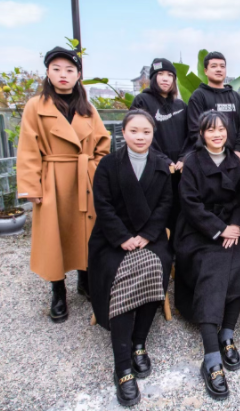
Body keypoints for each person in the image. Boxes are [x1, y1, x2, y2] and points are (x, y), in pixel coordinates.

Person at [16, 46, 110, 323]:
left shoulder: (87, 108)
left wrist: (94, 171)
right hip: (53, 179)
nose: (63, 75)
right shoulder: (36, 106)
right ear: (48, 73)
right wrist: (32, 186)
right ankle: (58, 291)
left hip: (84, 179)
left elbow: (103, 144)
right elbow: (28, 149)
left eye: (70, 70)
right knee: (53, 236)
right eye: (56, 69)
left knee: (87, 232)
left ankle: (85, 280)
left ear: (78, 74)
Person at [88, 110, 173, 407]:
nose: (140, 137)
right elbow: (103, 205)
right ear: (123, 133)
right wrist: (123, 237)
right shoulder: (108, 165)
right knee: (123, 272)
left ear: (153, 134)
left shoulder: (161, 166)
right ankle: (122, 365)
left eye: (146, 132)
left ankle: (139, 342)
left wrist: (147, 235)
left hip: (149, 236)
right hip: (112, 239)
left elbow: (165, 205)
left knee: (154, 264)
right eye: (134, 131)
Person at [173, 111, 240, 401]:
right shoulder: (192, 162)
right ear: (202, 134)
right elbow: (190, 204)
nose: (217, 134)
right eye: (211, 130)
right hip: (198, 232)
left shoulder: (235, 161)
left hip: (231, 229)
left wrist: (235, 227)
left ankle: (227, 333)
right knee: (213, 268)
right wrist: (219, 229)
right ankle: (210, 355)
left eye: (221, 129)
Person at [131, 58, 189, 233]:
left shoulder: (181, 105)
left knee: (180, 214)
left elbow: (191, 135)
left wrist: (184, 158)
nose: (165, 78)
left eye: (170, 75)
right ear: (153, 77)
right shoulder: (142, 101)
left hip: (180, 170)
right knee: (157, 213)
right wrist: (163, 160)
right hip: (155, 169)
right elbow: (139, 136)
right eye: (160, 74)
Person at [186, 52, 240, 161]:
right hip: (208, 158)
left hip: (234, 158)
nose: (219, 69)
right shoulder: (199, 96)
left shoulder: (235, 97)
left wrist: (238, 150)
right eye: (214, 66)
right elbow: (195, 129)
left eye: (222, 66)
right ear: (205, 71)